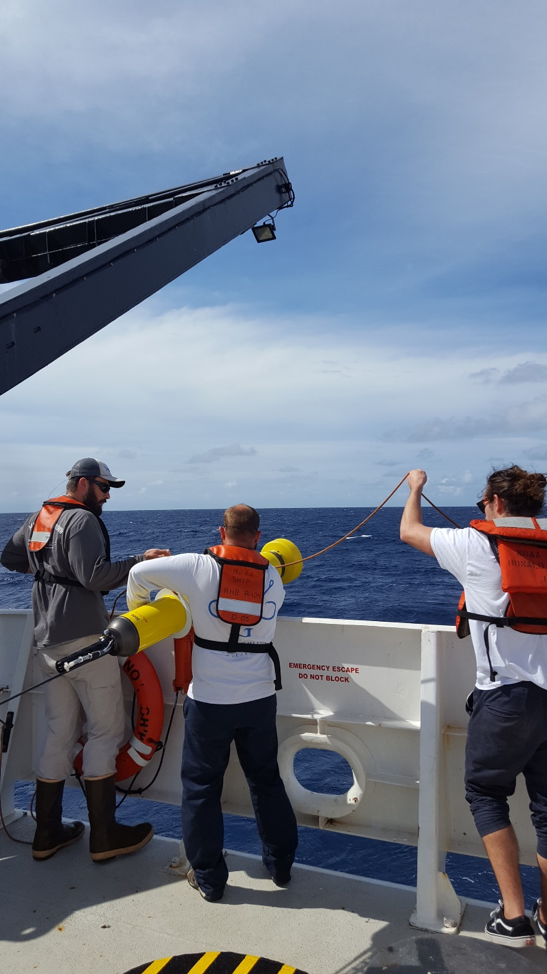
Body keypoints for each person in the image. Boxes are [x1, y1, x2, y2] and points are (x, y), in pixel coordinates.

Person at [400, 466, 547, 949]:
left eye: (484, 501)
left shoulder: (472, 545)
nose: (482, 508)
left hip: (504, 698)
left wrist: (416, 490)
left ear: (497, 503)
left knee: (486, 795)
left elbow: (409, 531)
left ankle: (513, 915)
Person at [126, 503, 298, 902]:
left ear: (222, 533)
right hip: (258, 699)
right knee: (266, 781)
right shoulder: (274, 577)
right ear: (258, 538)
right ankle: (281, 865)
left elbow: (137, 574)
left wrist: (142, 611)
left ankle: (209, 879)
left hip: (209, 703)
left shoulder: (197, 567)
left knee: (202, 788)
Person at [1, 458, 170, 863]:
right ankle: (105, 836)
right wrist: (141, 562)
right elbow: (96, 577)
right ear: (82, 484)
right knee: (106, 732)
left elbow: (8, 558)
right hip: (83, 641)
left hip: (47, 642)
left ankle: (46, 834)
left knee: (59, 732)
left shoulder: (42, 516)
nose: (108, 495)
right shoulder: (83, 522)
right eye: (103, 486)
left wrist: (49, 571)